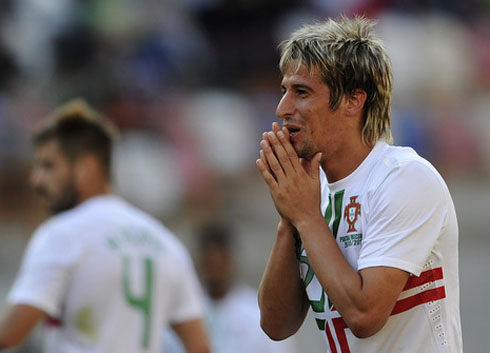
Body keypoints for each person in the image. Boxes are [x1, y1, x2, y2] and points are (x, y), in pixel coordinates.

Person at [256, 15, 462, 353]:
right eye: (284, 91)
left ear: (353, 101)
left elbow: (365, 315)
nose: (282, 108)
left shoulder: (405, 178)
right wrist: (288, 218)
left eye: (301, 92)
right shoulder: (311, 194)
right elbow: (276, 325)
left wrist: (305, 216)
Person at [0, 100, 210, 353]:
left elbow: (9, 336)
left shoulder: (62, 235)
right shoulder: (165, 242)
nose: (36, 179)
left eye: (48, 166)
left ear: (86, 168)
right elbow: (200, 347)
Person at [164, 222, 297, 353]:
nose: (215, 270)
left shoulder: (257, 314)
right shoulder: (186, 311)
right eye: (210, 263)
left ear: (231, 260)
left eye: (220, 263)